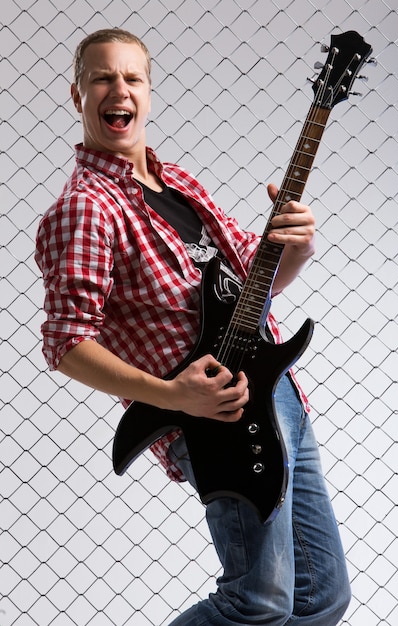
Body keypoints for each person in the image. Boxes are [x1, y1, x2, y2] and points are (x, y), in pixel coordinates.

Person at [35, 28, 351, 625]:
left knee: (321, 596)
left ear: (148, 93)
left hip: (278, 393)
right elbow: (66, 342)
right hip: (212, 416)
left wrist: (297, 246)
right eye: (102, 77)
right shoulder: (86, 208)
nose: (118, 89)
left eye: (132, 77)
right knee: (256, 601)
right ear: (77, 94)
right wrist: (174, 395)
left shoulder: (178, 183)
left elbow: (255, 277)